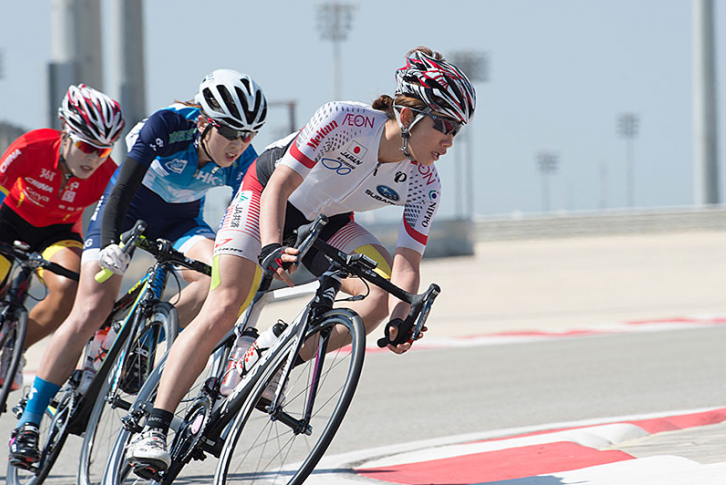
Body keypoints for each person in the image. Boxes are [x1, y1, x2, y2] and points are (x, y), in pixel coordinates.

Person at [126, 46, 476, 473]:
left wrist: (403, 317)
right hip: (267, 197)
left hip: (327, 223)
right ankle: (155, 425)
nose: (450, 140)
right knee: (226, 303)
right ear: (407, 114)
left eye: (457, 130)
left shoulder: (425, 182)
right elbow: (280, 185)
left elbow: (406, 266)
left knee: (376, 299)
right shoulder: (344, 120)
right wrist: (271, 246)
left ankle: (277, 356)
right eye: (445, 125)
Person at [8, 69, 268, 469]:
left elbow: (242, 220)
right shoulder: (166, 126)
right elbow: (120, 189)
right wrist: (111, 242)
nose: (238, 144)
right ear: (204, 121)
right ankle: (30, 418)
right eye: (231, 132)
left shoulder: (243, 160)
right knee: (92, 307)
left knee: (215, 279)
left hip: (182, 223)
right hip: (126, 212)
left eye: (249, 134)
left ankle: (145, 339)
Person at [0, 84, 124, 392]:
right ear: (66, 132)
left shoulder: (107, 173)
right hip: (11, 220)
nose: (93, 159)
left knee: (68, 287)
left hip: (59, 233)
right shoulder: (32, 146)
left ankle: (15, 347)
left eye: (103, 150)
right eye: (87, 146)